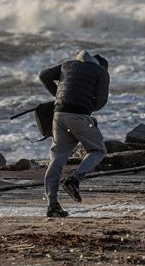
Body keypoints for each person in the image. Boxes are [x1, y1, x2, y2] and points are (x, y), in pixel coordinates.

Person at [39, 50, 110, 217]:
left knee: (56, 159)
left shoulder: (67, 65)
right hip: (78, 116)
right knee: (98, 150)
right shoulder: (101, 72)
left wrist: (58, 94)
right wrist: (86, 109)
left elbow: (44, 76)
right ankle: (74, 179)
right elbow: (101, 101)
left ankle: (52, 205)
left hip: (58, 115)